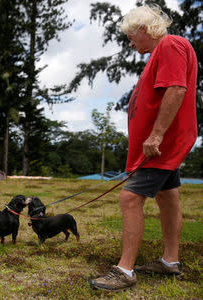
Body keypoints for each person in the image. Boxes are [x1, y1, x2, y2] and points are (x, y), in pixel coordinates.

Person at [89, 4, 198, 291]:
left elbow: (176, 88)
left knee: (129, 198)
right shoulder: (160, 52)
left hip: (162, 145)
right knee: (167, 196)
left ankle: (124, 270)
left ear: (144, 29)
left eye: (130, 35)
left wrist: (156, 136)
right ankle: (170, 262)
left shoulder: (170, 45)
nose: (129, 42)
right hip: (161, 145)